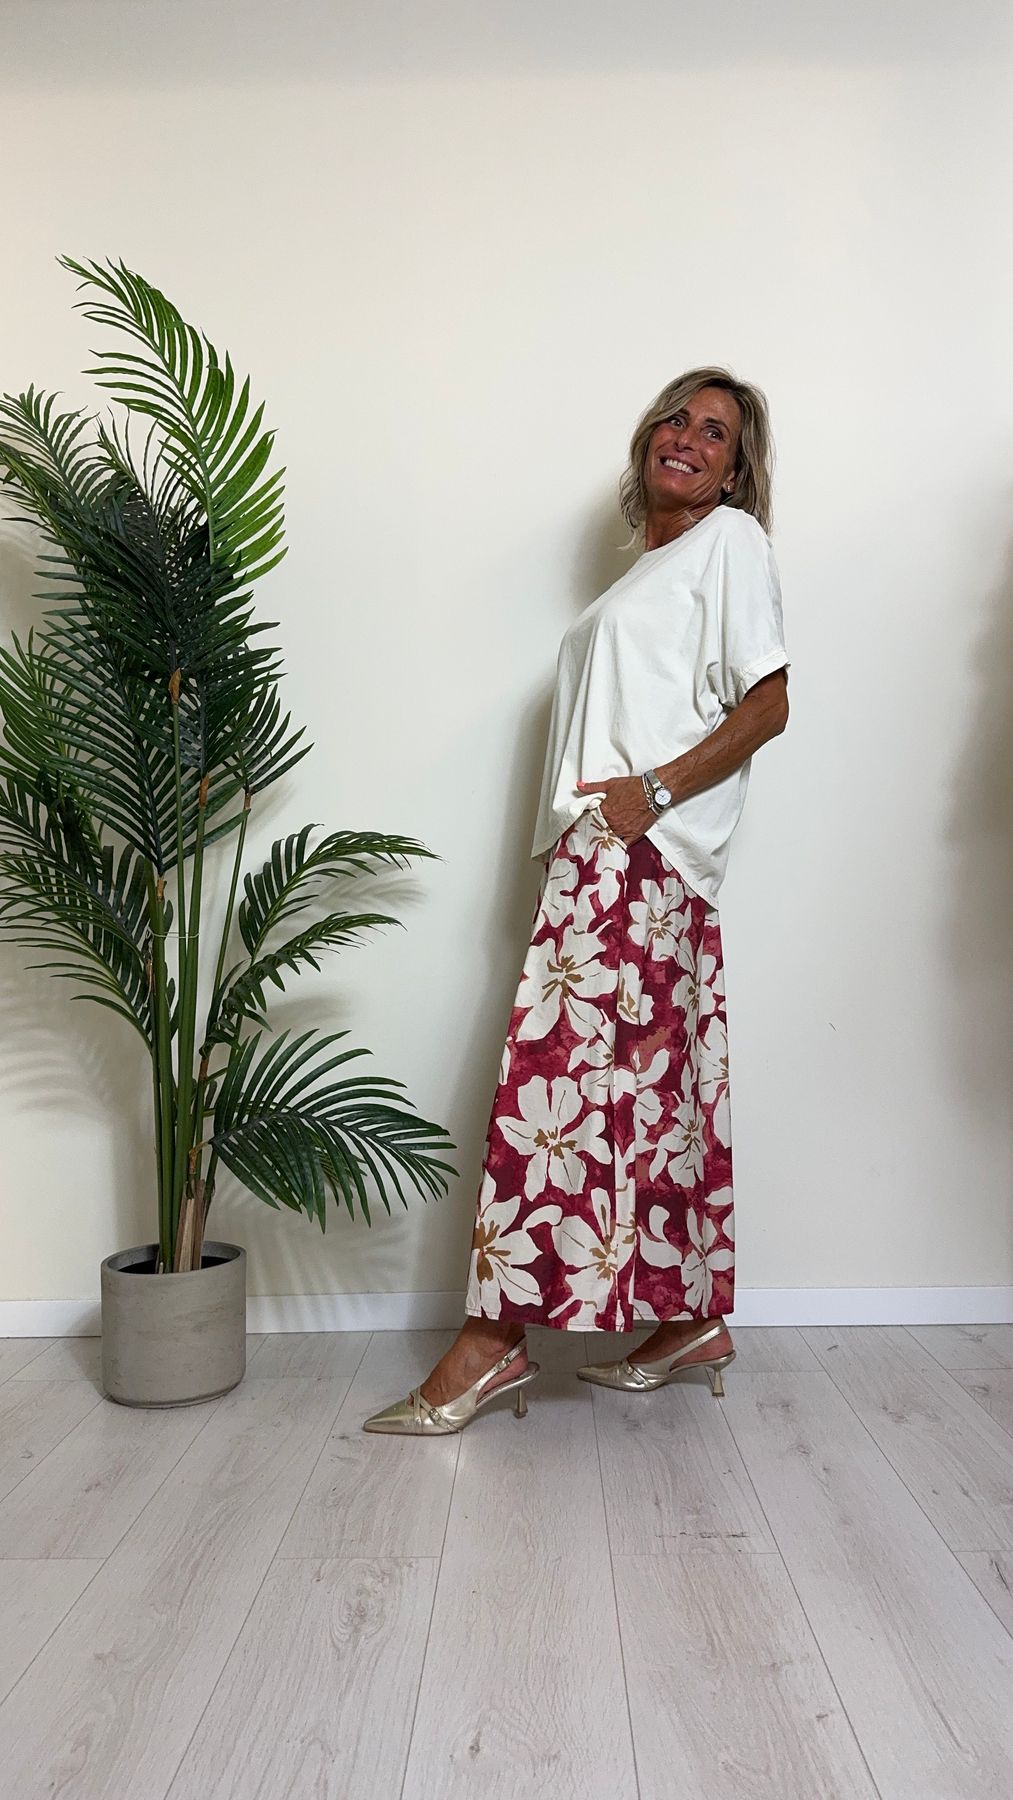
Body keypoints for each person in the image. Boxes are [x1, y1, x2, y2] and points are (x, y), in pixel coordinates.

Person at [364, 366, 790, 1436]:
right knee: (647, 1096)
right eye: (674, 419)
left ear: (735, 470)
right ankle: (688, 1321)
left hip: (634, 853)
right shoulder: (646, 573)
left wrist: (652, 795)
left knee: (550, 1095)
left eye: (714, 432)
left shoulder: (731, 542)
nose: (685, 436)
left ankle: (491, 1343)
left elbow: (769, 702)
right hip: (615, 855)